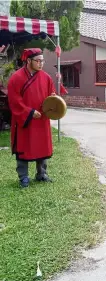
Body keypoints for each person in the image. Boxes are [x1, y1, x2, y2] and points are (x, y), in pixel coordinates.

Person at [7, 48, 56, 188]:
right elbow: (14, 100)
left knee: (42, 146)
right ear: (29, 61)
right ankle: (23, 177)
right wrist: (29, 112)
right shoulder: (16, 78)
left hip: (42, 119)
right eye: (38, 61)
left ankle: (42, 174)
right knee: (24, 147)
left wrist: (53, 99)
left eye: (42, 61)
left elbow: (51, 95)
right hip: (25, 120)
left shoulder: (46, 77)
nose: (41, 64)